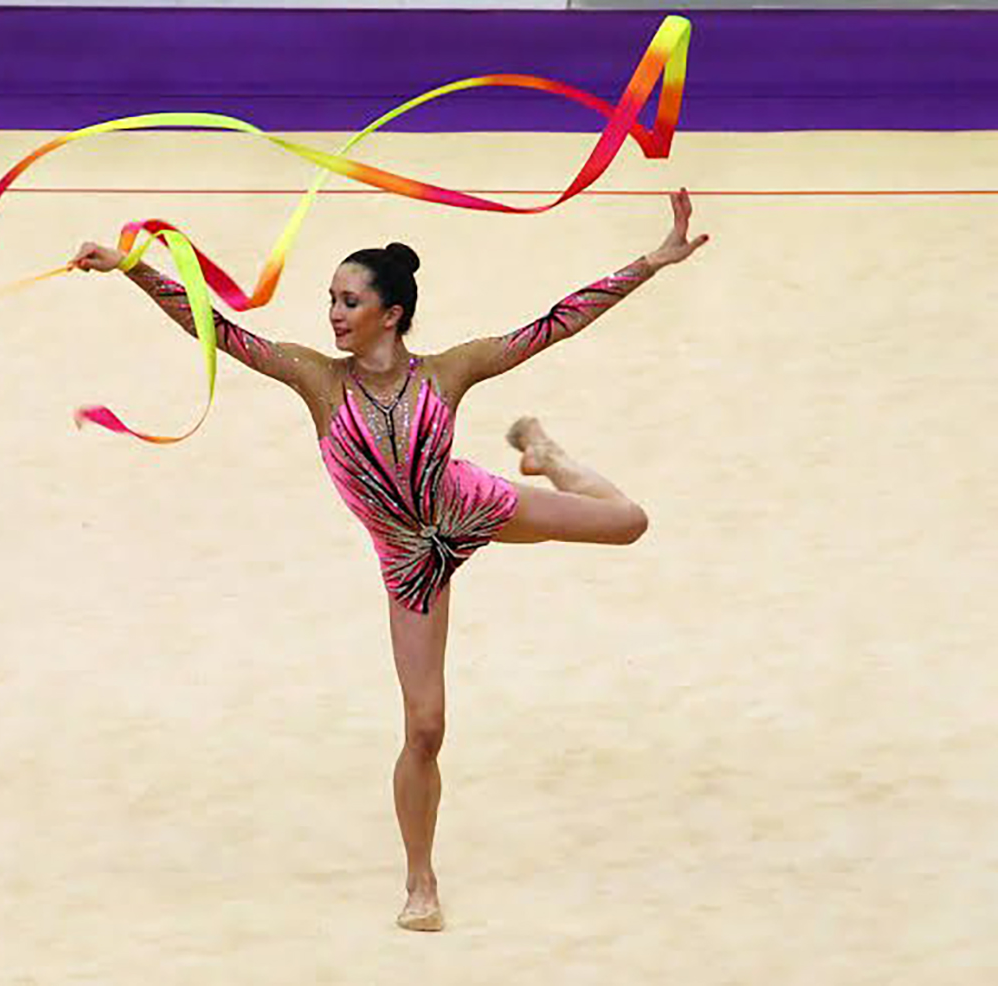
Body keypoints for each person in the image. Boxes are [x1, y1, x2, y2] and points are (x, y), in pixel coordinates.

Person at [70, 188, 708, 932]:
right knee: (426, 727)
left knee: (628, 522)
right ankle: (420, 882)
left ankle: (549, 454)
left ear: (390, 313)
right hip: (410, 560)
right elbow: (217, 328)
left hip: (469, 506)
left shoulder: (447, 372)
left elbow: (553, 325)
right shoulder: (318, 380)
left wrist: (652, 262)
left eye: (347, 301)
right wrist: (131, 268)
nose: (333, 314)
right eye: (330, 300)